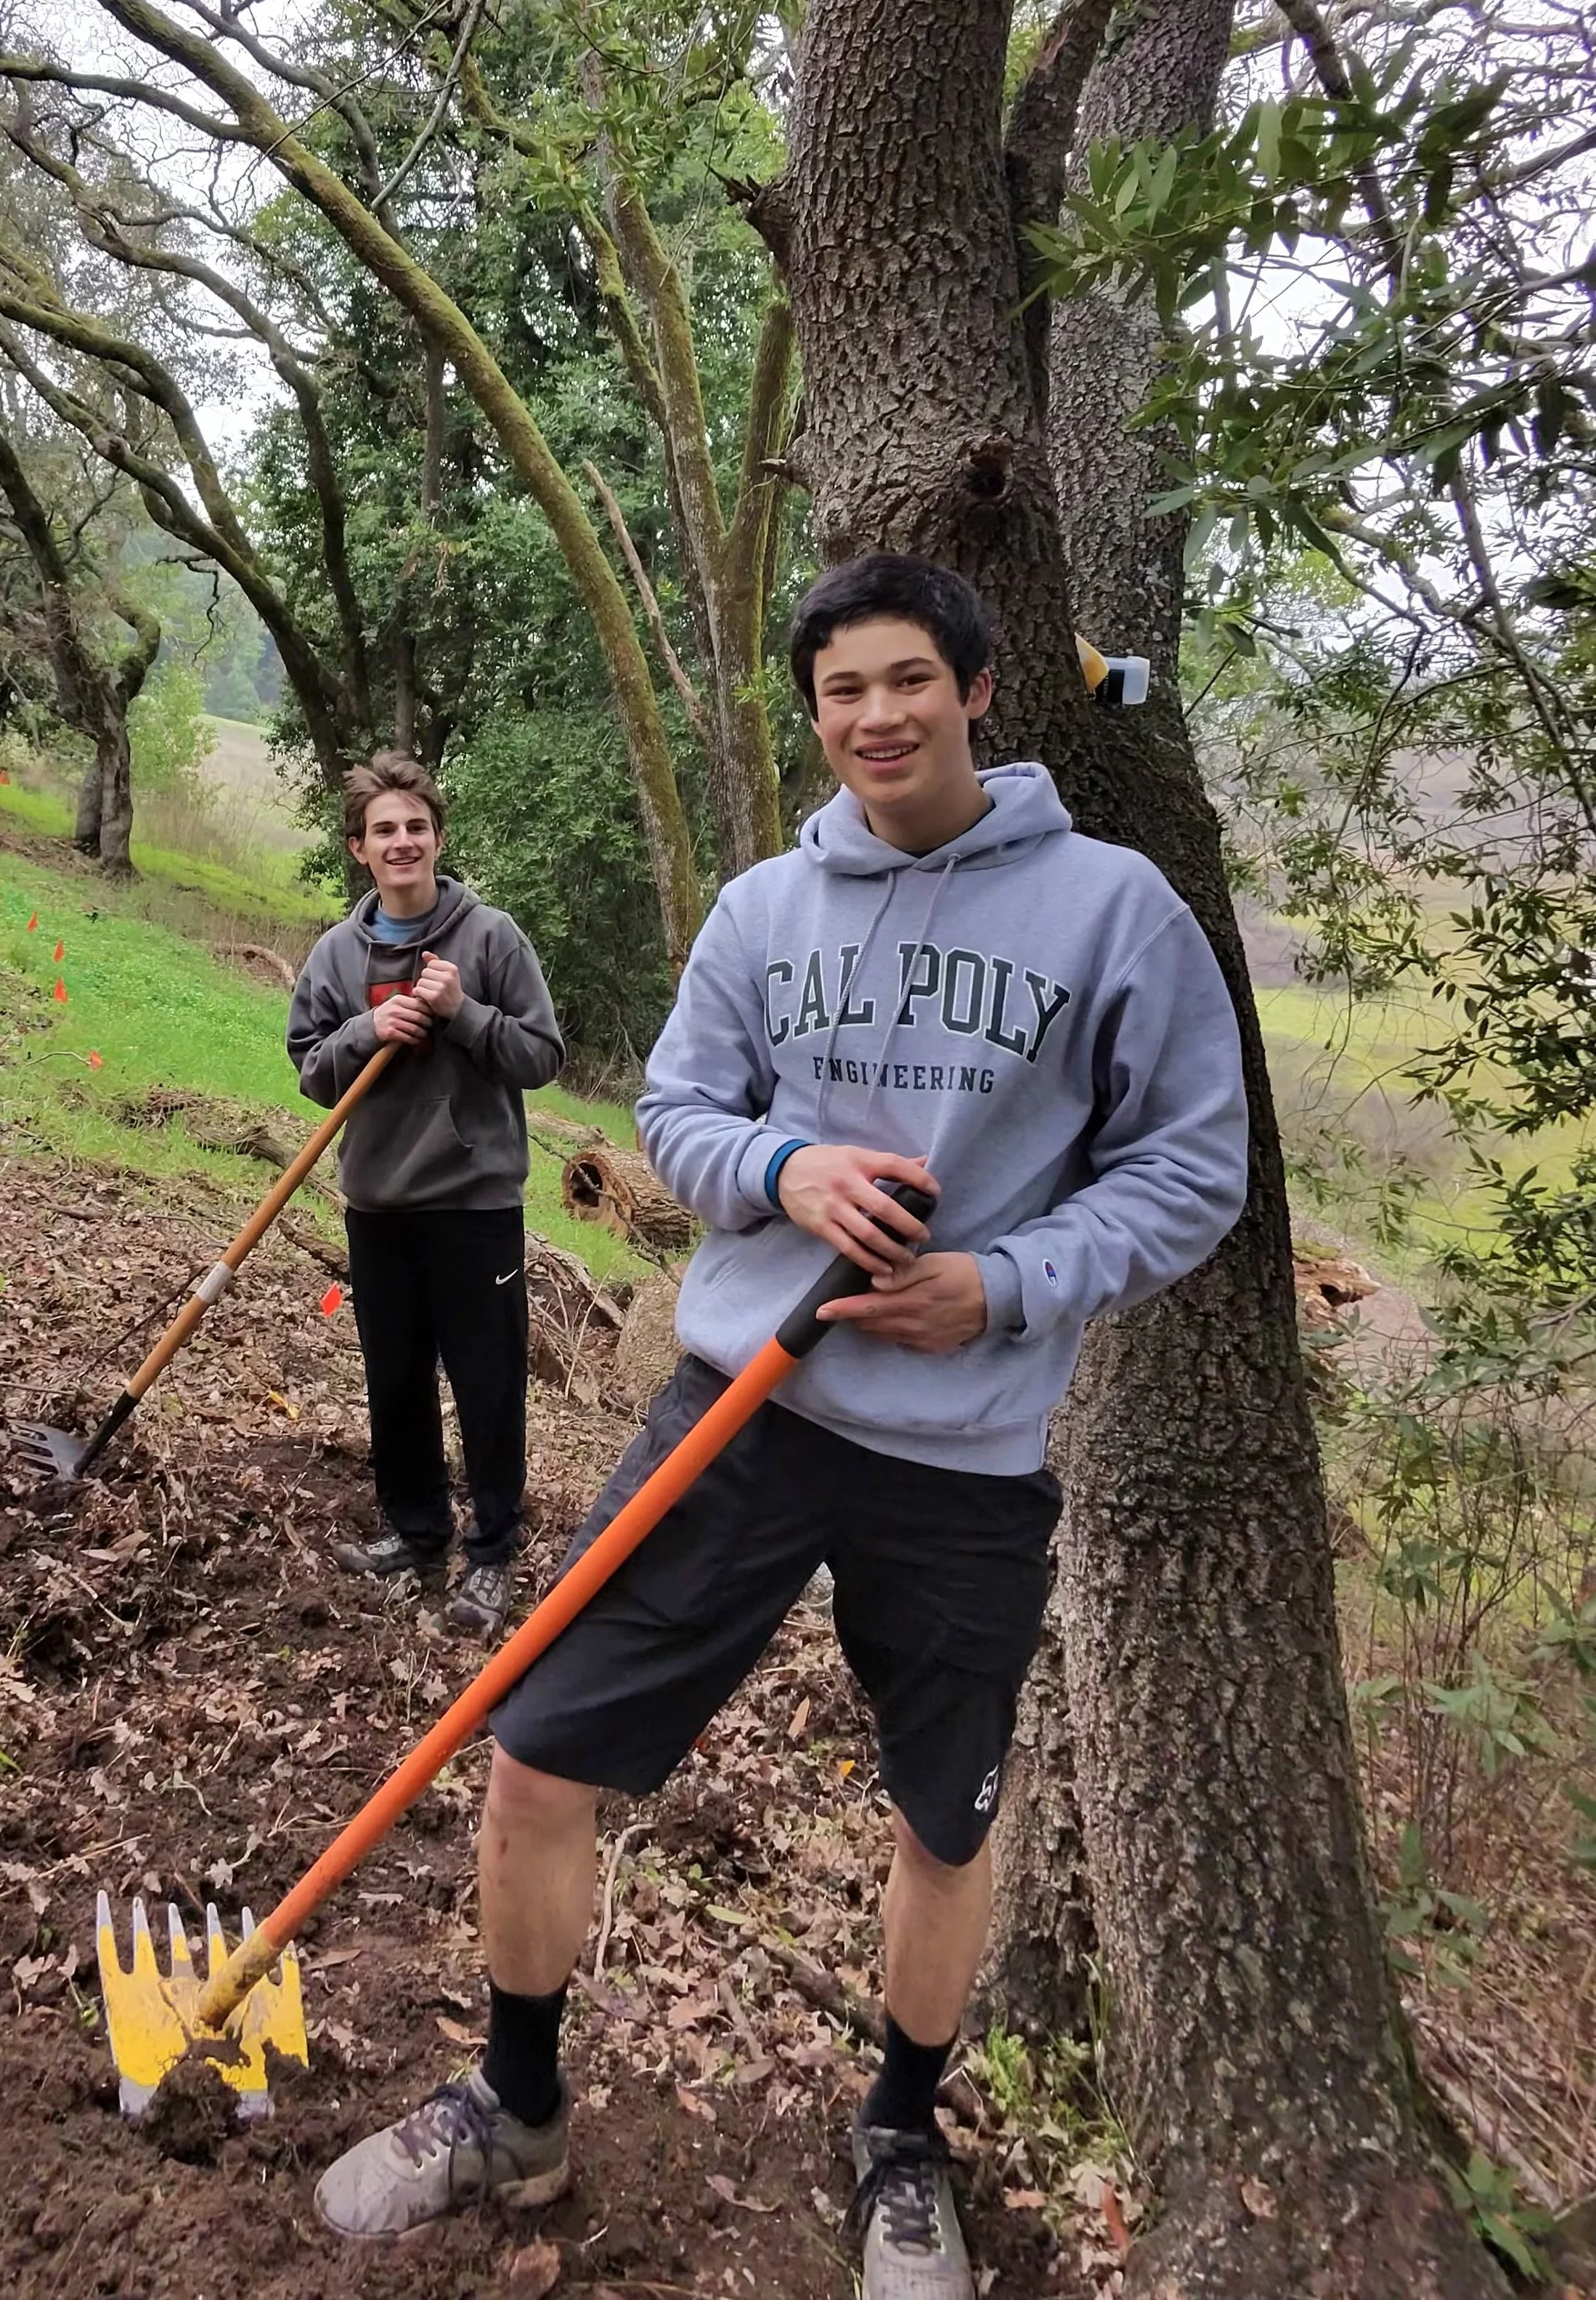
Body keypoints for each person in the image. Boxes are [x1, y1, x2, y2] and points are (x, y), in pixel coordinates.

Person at [313, 558, 1249, 2299]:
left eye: (908, 680)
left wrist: (1007, 1283)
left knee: (941, 1823)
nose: (874, 716)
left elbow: (1191, 1167)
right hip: (736, 1411)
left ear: (975, 688)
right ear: (811, 714)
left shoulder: (1113, 913)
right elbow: (675, 1105)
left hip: (962, 1453)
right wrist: (780, 1167)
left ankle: (900, 2138)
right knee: (533, 1751)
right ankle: (515, 2102)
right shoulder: (764, 909)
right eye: (840, 692)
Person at [288, 749, 565, 1638]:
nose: (402, 841)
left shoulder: (490, 939)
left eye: (416, 826)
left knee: (486, 1386)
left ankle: (490, 1554)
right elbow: (311, 1067)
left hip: (475, 1207)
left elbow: (543, 1056)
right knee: (393, 1380)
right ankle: (416, 1533)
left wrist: (463, 1016)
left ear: (437, 838)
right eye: (384, 831)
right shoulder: (337, 953)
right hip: (377, 1205)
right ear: (359, 851)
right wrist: (368, 1029)